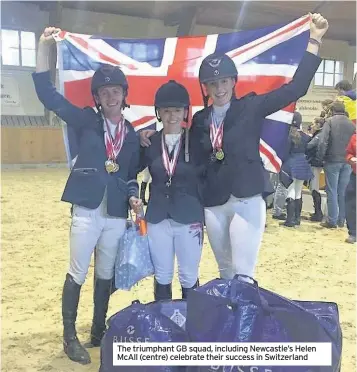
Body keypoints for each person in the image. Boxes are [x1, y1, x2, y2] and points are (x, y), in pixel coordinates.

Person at [141, 13, 329, 279]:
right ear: (205, 87)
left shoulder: (251, 107)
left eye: (224, 81)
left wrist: (314, 42)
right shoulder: (200, 119)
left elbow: (296, 88)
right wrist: (152, 133)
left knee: (243, 273)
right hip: (214, 202)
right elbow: (185, 148)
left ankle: (244, 321)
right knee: (225, 271)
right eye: (213, 83)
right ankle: (228, 320)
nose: (219, 88)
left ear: (233, 81)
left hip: (246, 198)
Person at [32, 27, 141, 365]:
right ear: (97, 97)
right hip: (87, 209)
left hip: (114, 214)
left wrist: (135, 197)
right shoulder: (84, 121)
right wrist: (43, 49)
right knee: (78, 271)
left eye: (116, 91)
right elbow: (48, 95)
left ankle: (97, 330)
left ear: (124, 95)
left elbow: (131, 175)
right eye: (105, 92)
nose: (110, 96)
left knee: (105, 272)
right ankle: (69, 336)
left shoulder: (134, 134)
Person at [138, 80, 204, 300]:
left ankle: (192, 327)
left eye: (177, 110)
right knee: (163, 275)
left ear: (185, 112)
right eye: (166, 111)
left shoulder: (197, 141)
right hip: (157, 217)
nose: (172, 116)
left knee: (188, 275)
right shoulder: (149, 142)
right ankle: (164, 326)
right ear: (159, 113)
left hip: (189, 216)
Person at [317, 101, 355, 228]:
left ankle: (332, 220)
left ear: (332, 110)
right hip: (348, 161)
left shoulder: (330, 121)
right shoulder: (352, 124)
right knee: (342, 191)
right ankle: (341, 220)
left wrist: (320, 157)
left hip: (332, 160)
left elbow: (323, 141)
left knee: (331, 190)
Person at [280, 112, 313, 227]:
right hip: (303, 163)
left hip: (291, 164)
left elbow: (284, 153)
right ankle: (297, 219)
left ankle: (290, 220)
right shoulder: (306, 136)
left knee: (290, 190)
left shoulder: (288, 136)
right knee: (298, 191)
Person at [306, 117, 325, 221]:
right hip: (316, 163)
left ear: (318, 125)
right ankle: (317, 212)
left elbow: (309, 146)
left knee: (314, 187)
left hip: (315, 163)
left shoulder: (318, 136)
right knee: (313, 187)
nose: (312, 126)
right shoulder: (319, 134)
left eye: (313, 124)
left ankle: (318, 213)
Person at [344, 133, 356, 243]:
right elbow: (348, 153)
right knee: (350, 202)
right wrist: (351, 158)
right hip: (355, 175)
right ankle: (353, 232)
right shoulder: (354, 137)